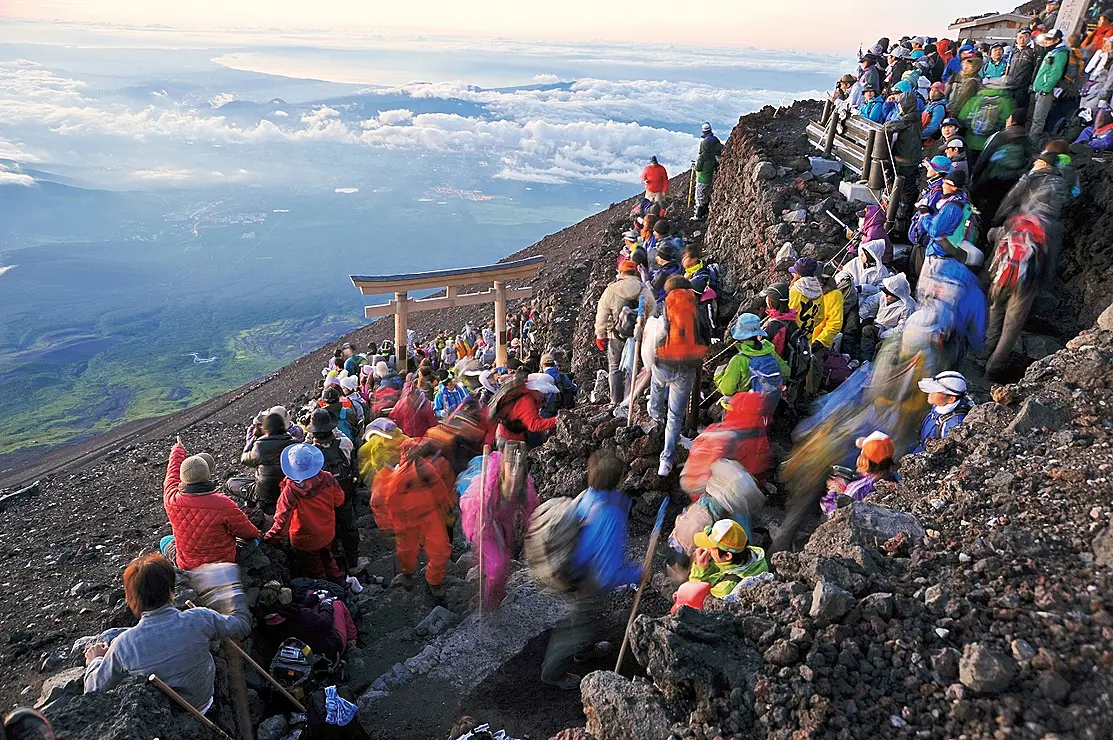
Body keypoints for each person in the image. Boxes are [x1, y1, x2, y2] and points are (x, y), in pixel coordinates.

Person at [83, 554, 250, 711]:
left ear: (131, 598)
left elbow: (92, 690)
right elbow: (241, 626)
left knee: (110, 641)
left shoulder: (124, 645)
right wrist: (227, 587)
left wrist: (96, 660)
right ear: (172, 590)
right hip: (204, 702)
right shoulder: (200, 618)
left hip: (164, 714)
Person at [541, 451, 641, 689]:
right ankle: (553, 672)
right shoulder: (609, 516)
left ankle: (584, 652)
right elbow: (609, 574)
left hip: (571, 569)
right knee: (579, 629)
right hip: (586, 578)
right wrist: (638, 573)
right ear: (617, 480)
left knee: (581, 617)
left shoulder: (587, 497)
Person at [984, 155, 1070, 380]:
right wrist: (1042, 283)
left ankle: (985, 351)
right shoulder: (1052, 226)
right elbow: (1049, 262)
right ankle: (994, 367)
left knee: (996, 309)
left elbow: (1002, 224)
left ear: (1043, 165)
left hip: (1005, 274)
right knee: (1012, 326)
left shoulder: (1020, 213)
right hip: (1028, 279)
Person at [371, 441, 455, 597]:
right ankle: (407, 573)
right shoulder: (396, 476)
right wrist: (389, 525)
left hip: (430, 516)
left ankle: (434, 580)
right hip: (405, 520)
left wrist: (447, 511)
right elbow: (385, 502)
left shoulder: (428, 470)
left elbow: (440, 491)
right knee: (406, 551)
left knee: (441, 551)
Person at [460, 445, 539, 610]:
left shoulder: (525, 487)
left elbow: (530, 509)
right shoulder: (490, 486)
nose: (515, 472)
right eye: (511, 466)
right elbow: (482, 510)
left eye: (519, 467)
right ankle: (491, 601)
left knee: (501, 561)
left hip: (505, 525)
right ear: (504, 466)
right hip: (485, 524)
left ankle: (495, 585)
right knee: (498, 565)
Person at [163, 438, 259, 571]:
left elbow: (172, 472)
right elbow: (246, 531)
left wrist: (178, 449)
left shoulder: (171, 498)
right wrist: (257, 534)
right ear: (208, 475)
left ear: (182, 477)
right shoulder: (223, 503)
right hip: (224, 563)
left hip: (187, 565)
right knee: (254, 540)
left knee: (165, 541)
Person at [650, 275, 708, 476]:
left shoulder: (665, 306)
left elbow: (658, 333)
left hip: (664, 362)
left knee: (656, 384)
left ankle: (655, 416)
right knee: (675, 416)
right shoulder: (696, 308)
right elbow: (706, 337)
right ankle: (665, 462)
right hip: (687, 367)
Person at [264, 443, 346, 580]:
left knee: (314, 570)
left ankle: (326, 592)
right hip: (327, 532)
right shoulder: (328, 478)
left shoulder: (290, 492)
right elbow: (339, 500)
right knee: (328, 559)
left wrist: (268, 539)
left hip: (304, 540)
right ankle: (340, 583)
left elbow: (282, 523)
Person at [306, 409, 360, 574]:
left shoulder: (308, 451)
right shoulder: (344, 444)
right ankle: (353, 561)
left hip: (323, 501)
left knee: (330, 531)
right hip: (344, 495)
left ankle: (336, 563)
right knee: (349, 527)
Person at [594, 260, 655, 406]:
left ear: (621, 272)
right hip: (638, 337)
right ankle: (629, 400)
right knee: (633, 368)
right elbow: (653, 312)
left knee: (615, 369)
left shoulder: (611, 290)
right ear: (635, 272)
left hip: (616, 336)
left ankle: (615, 400)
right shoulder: (644, 290)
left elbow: (602, 314)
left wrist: (600, 335)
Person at [970, 109, 1033, 226]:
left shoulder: (1001, 136)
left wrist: (975, 178)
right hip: (1011, 183)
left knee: (980, 209)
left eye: (1009, 118)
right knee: (997, 209)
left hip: (991, 180)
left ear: (1012, 121)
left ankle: (978, 231)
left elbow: (984, 158)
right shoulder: (1026, 140)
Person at [713, 314, 788, 405]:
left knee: (720, 404)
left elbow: (727, 390)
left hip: (748, 405)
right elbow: (786, 372)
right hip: (771, 401)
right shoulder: (768, 349)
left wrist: (718, 376)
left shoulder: (738, 360)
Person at [820, 431, 898, 517]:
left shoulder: (858, 489)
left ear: (865, 462)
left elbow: (835, 514)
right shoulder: (892, 477)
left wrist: (833, 490)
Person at [687, 519, 768, 599]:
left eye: (711, 547)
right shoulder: (749, 554)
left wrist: (699, 572)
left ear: (728, 556)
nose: (706, 549)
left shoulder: (726, 589)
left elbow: (695, 600)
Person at [882, 92, 924, 237]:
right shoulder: (914, 117)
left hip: (907, 160)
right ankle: (900, 221)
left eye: (900, 104)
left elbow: (890, 125)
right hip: (909, 159)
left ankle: (901, 225)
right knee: (905, 190)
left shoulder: (909, 118)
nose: (899, 107)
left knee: (904, 192)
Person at [239, 412, 294, 514]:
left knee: (232, 483)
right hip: (289, 489)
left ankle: (252, 504)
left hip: (266, 493)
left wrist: (254, 437)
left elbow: (244, 458)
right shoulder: (294, 442)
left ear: (265, 429)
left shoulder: (260, 446)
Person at [490, 373, 560, 447]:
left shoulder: (526, 394)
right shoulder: (527, 401)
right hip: (509, 440)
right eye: (545, 393)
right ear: (538, 390)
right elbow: (533, 425)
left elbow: (533, 417)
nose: (545, 395)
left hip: (508, 434)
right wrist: (557, 420)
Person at [910, 371, 971, 453]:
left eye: (937, 390)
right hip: (920, 444)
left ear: (951, 399)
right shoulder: (940, 404)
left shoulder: (953, 425)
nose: (930, 392)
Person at [859, 272, 916, 358]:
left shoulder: (908, 307)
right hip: (877, 326)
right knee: (866, 330)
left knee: (881, 349)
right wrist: (861, 316)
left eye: (889, 295)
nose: (886, 296)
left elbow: (901, 328)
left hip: (891, 333)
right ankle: (864, 360)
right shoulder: (883, 295)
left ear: (897, 295)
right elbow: (869, 303)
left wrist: (883, 335)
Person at [1031, 30, 1070, 143]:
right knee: (1036, 117)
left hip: (1046, 91)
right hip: (1040, 89)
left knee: (1039, 118)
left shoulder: (1060, 53)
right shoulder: (1053, 51)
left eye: (1050, 40)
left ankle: (1033, 141)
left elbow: (1056, 73)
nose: (1047, 42)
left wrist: (1046, 88)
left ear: (1057, 40)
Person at [692, 122, 723, 221]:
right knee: (705, 196)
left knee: (699, 196)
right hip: (709, 179)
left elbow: (698, 168)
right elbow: (715, 167)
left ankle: (698, 215)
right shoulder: (712, 157)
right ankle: (705, 213)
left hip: (701, 178)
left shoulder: (702, 157)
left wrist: (694, 165)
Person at [1005, 29, 1038, 112]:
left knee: (1019, 111)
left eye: (1025, 37)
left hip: (1022, 88)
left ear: (1030, 38)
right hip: (1009, 86)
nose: (1022, 40)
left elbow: (1036, 69)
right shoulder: (1013, 51)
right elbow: (1008, 67)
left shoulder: (1033, 52)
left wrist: (1031, 85)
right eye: (1020, 37)